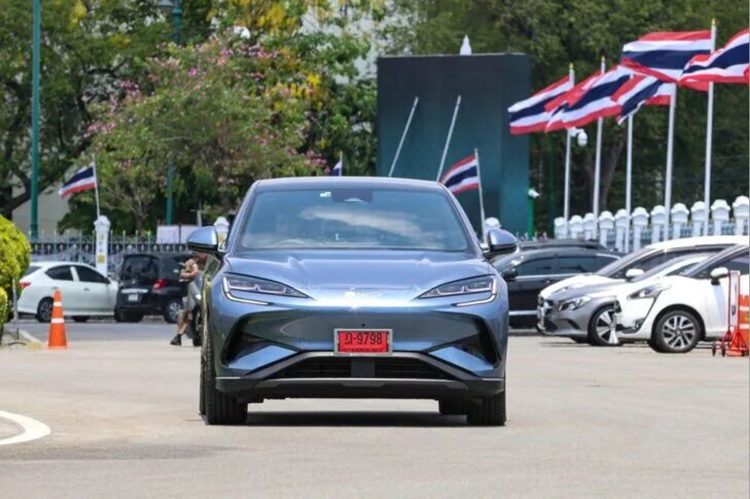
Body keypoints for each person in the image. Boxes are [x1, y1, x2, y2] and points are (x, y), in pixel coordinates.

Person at [170, 252, 207, 346]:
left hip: (206, 290)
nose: (203, 254)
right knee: (187, 310)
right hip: (194, 290)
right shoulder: (191, 262)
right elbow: (182, 274)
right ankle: (178, 335)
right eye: (201, 252)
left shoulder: (212, 263)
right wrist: (191, 274)